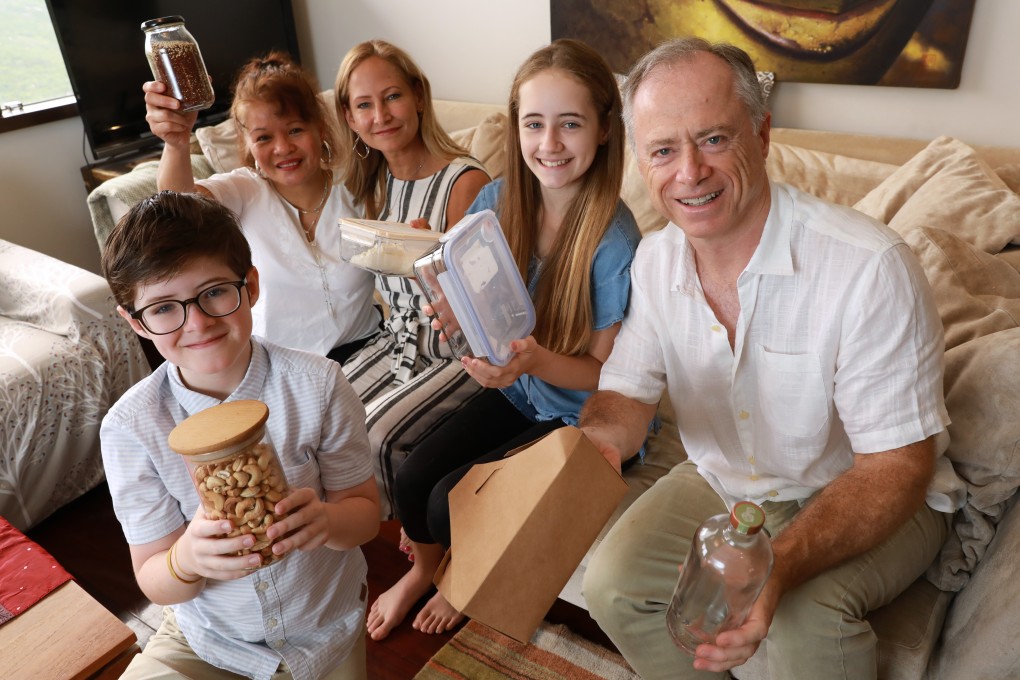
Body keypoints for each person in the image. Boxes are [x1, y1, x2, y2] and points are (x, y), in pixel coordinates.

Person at [578, 37, 964, 679]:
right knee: (613, 583)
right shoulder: (654, 260)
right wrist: (596, 444)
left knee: (802, 622)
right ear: (640, 161)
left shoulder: (868, 267)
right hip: (728, 481)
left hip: (866, 486)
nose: (689, 173)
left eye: (713, 139)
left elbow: (898, 464)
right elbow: (626, 392)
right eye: (663, 151)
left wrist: (776, 567)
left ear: (761, 133)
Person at [365, 38, 642, 642]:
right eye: (534, 124)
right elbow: (473, 297)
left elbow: (606, 374)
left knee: (446, 502)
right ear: (516, 128)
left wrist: (533, 360)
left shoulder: (614, 242)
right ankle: (427, 574)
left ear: (602, 131)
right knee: (413, 479)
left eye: (570, 124)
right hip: (521, 388)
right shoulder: (496, 203)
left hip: (577, 416)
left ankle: (465, 580)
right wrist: (450, 300)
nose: (549, 144)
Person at [99, 191, 380, 680]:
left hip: (324, 627)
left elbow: (365, 516)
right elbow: (154, 577)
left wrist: (328, 522)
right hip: (209, 639)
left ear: (250, 284)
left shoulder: (318, 384)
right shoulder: (130, 427)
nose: (199, 322)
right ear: (134, 322)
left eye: (214, 292)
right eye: (164, 308)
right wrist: (186, 560)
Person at [333, 40, 491, 518]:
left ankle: (408, 553)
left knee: (379, 436)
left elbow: (486, 305)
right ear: (350, 117)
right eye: (364, 104)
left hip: (458, 351)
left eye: (392, 96)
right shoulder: (374, 183)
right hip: (396, 339)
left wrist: (436, 260)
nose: (380, 114)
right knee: (324, 414)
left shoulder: (464, 182)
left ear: (419, 96)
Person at [143, 51, 380, 363]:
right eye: (264, 137)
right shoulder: (245, 190)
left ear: (320, 129)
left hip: (368, 350)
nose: (282, 148)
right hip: (281, 367)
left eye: (295, 130)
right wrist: (177, 142)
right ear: (249, 145)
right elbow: (179, 206)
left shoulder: (355, 187)